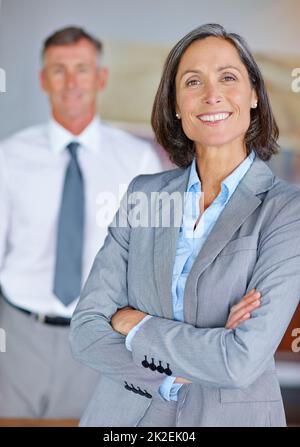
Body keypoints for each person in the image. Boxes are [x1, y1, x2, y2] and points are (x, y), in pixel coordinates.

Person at [70, 23, 300, 427]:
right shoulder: (143, 194)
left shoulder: (286, 210)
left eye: (228, 77)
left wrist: (136, 324)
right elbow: (87, 330)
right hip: (125, 418)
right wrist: (189, 359)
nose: (212, 94)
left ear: (253, 96)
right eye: (193, 81)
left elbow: (239, 362)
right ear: (176, 104)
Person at [0, 26, 162, 419]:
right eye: (59, 70)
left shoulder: (138, 162)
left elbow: (151, 264)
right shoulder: (8, 157)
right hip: (19, 336)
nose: (71, 82)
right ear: (43, 80)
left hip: (100, 337)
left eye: (82, 69)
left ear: (100, 78)